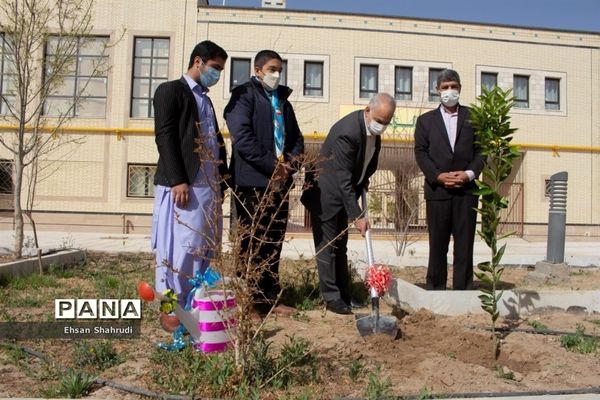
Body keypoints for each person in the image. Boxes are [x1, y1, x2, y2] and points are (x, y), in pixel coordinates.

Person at [151, 40, 229, 330]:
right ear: (199, 61)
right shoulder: (171, 91)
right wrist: (178, 179)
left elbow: (215, 144)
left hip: (208, 191)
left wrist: (223, 182)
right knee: (176, 254)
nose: (218, 74)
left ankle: (196, 306)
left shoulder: (205, 101)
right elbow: (165, 136)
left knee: (202, 249)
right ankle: (171, 311)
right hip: (184, 188)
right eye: (215, 68)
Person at [224, 49, 304, 315]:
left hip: (280, 183)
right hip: (252, 183)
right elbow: (242, 138)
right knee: (251, 243)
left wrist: (289, 166)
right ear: (258, 70)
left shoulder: (283, 101)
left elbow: (297, 140)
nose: (276, 74)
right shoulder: (243, 96)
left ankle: (270, 298)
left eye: (279, 69)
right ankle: (247, 302)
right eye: (271, 69)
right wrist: (272, 166)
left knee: (273, 242)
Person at [301, 93, 396, 315]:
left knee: (340, 247)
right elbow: (343, 177)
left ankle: (345, 296)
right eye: (379, 120)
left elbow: (365, 165)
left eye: (386, 122)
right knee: (327, 248)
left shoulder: (372, 133)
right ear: (367, 110)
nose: (381, 126)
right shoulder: (348, 132)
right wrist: (358, 215)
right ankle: (332, 298)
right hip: (326, 196)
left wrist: (364, 181)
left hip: (344, 193)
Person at [414, 68, 484, 290]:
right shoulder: (425, 121)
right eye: (445, 87)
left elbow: (482, 151)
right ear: (437, 91)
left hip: (466, 193)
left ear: (460, 89)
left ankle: (463, 288)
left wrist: (468, 174)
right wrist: (437, 175)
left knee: (464, 245)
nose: (449, 91)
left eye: (453, 86)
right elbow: (421, 152)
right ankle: (436, 288)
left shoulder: (474, 117)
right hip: (438, 193)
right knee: (438, 245)